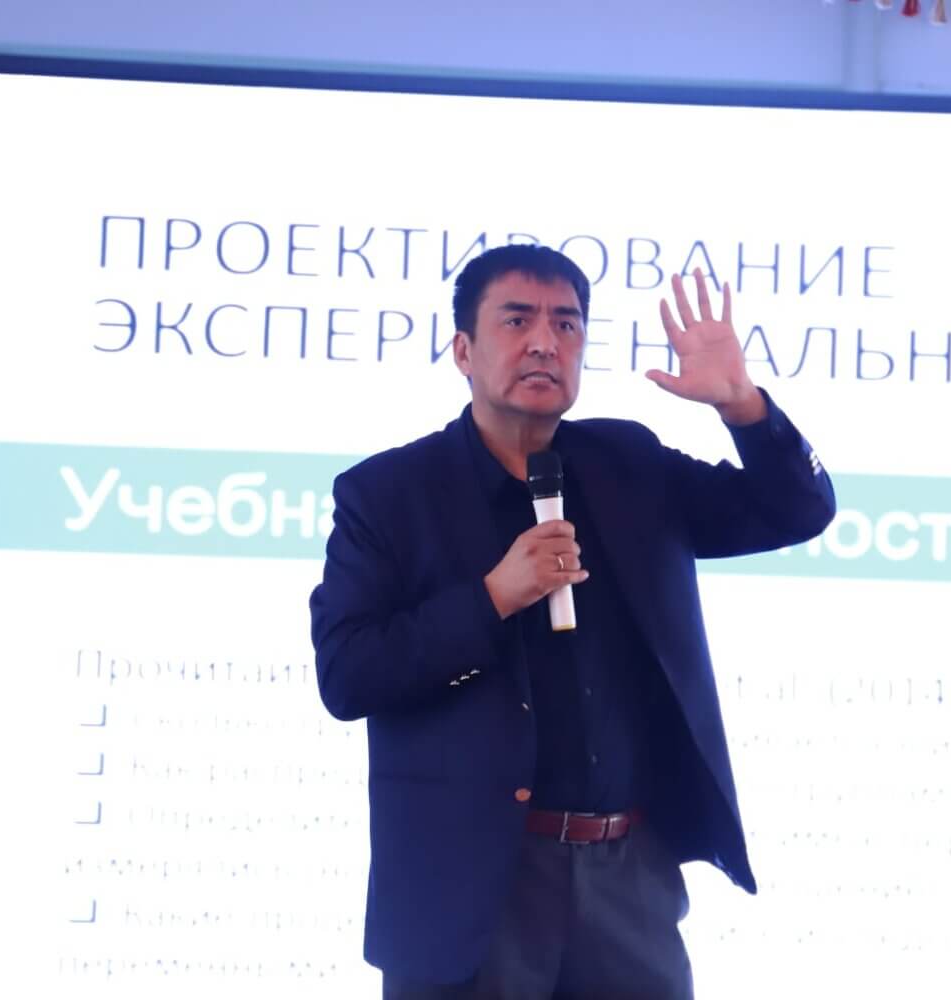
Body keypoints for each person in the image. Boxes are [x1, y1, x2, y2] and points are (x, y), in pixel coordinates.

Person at [309, 244, 835, 998]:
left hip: (628, 875)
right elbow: (348, 674)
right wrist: (494, 596)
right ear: (464, 350)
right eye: (516, 320)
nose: (544, 342)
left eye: (566, 324)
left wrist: (741, 405)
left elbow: (796, 510)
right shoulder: (388, 494)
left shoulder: (629, 463)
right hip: (472, 888)